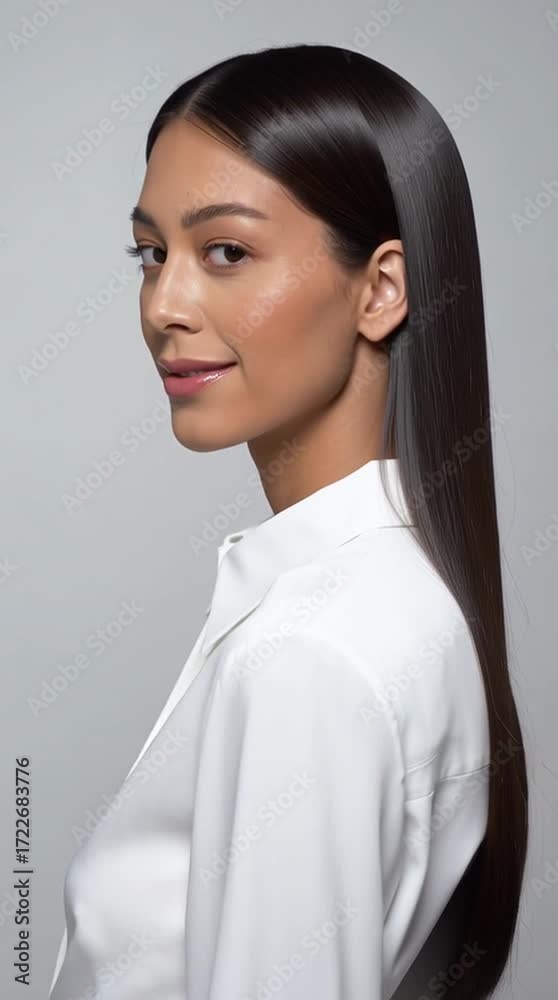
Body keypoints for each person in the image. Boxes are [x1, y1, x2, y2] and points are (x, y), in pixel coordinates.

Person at [48, 43, 528, 1000]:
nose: (164, 305)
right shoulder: (399, 599)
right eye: (151, 253)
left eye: (226, 252)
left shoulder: (309, 654)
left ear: (380, 290)